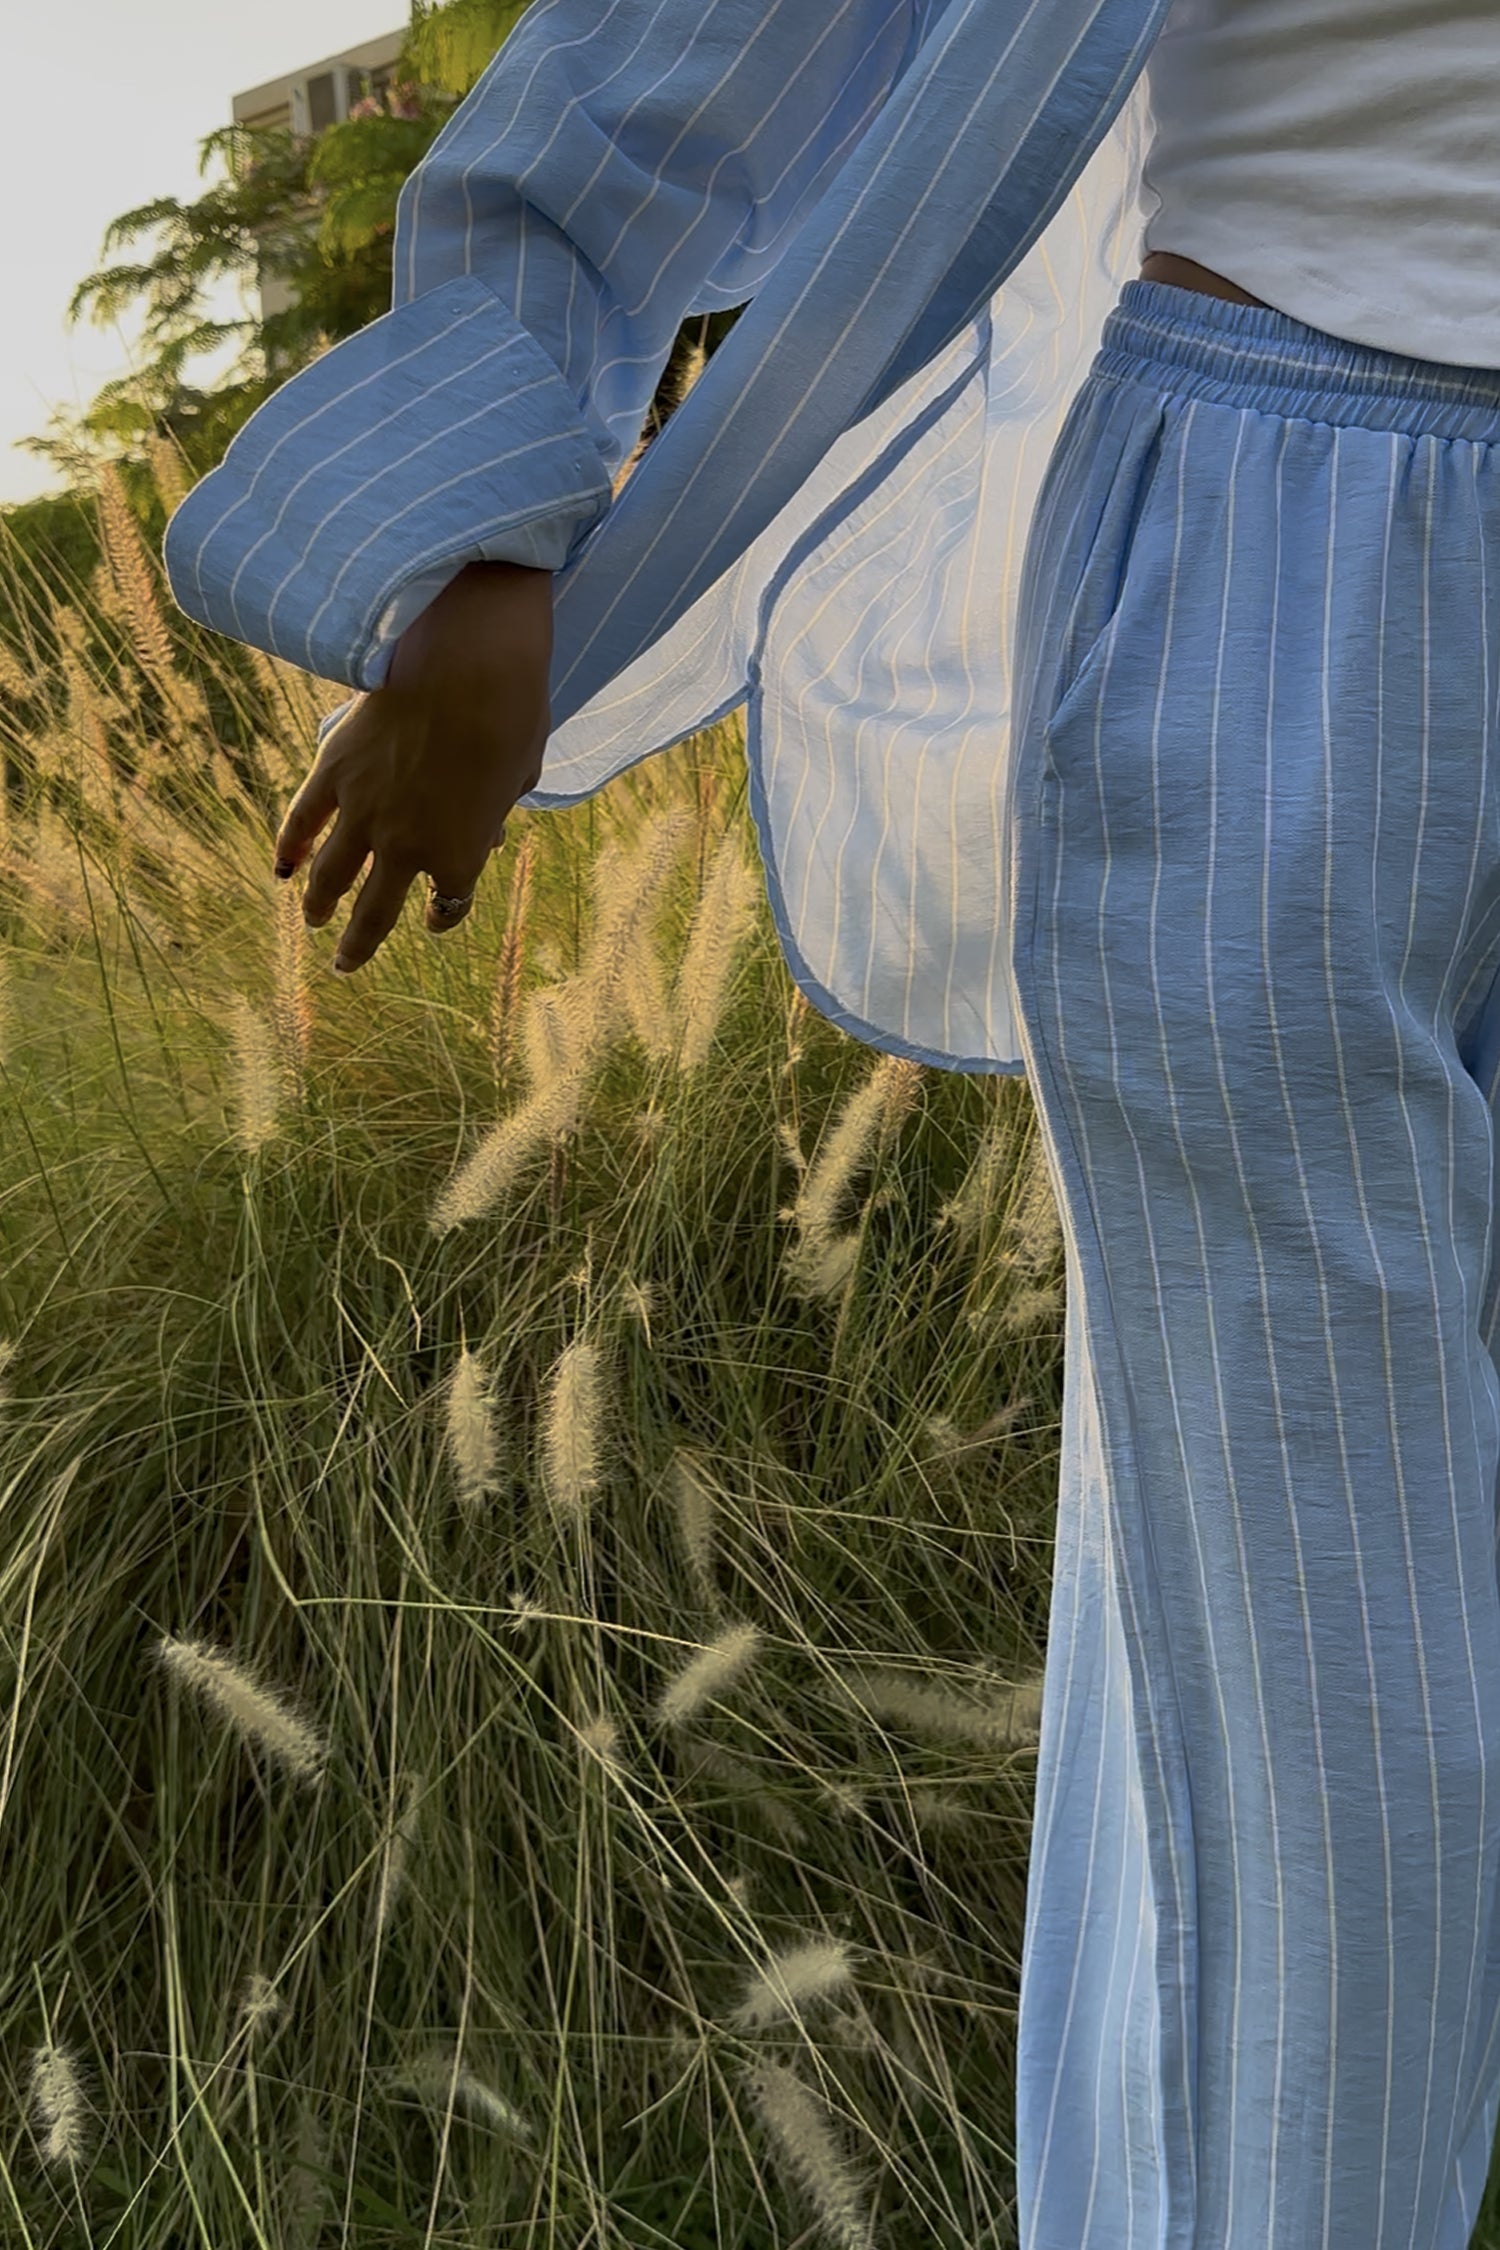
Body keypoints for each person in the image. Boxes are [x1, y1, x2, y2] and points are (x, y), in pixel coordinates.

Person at [162, 0, 1500, 2239]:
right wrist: (485, 527)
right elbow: (683, 49)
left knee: (1245, 1654)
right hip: (1288, 553)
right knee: (1325, 1686)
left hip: (1293, 542)